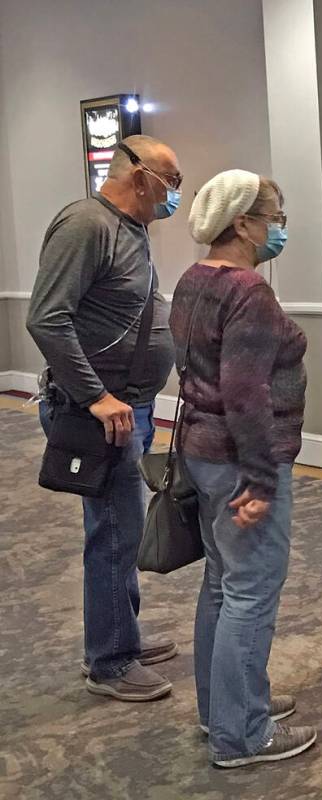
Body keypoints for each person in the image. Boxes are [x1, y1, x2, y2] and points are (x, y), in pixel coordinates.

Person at [26, 135, 181, 702]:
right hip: (98, 413)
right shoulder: (85, 225)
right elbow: (46, 318)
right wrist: (97, 397)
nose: (176, 195)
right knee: (114, 532)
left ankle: (122, 635)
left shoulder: (131, 228)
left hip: (127, 407)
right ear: (139, 176)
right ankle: (110, 661)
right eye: (172, 180)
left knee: (125, 525)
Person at [170, 169, 315, 768]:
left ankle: (224, 709)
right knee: (252, 591)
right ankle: (243, 735)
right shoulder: (249, 290)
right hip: (240, 463)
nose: (279, 228)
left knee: (221, 586)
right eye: (274, 216)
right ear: (242, 223)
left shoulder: (193, 278)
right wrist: (259, 479)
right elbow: (246, 394)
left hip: (201, 454)